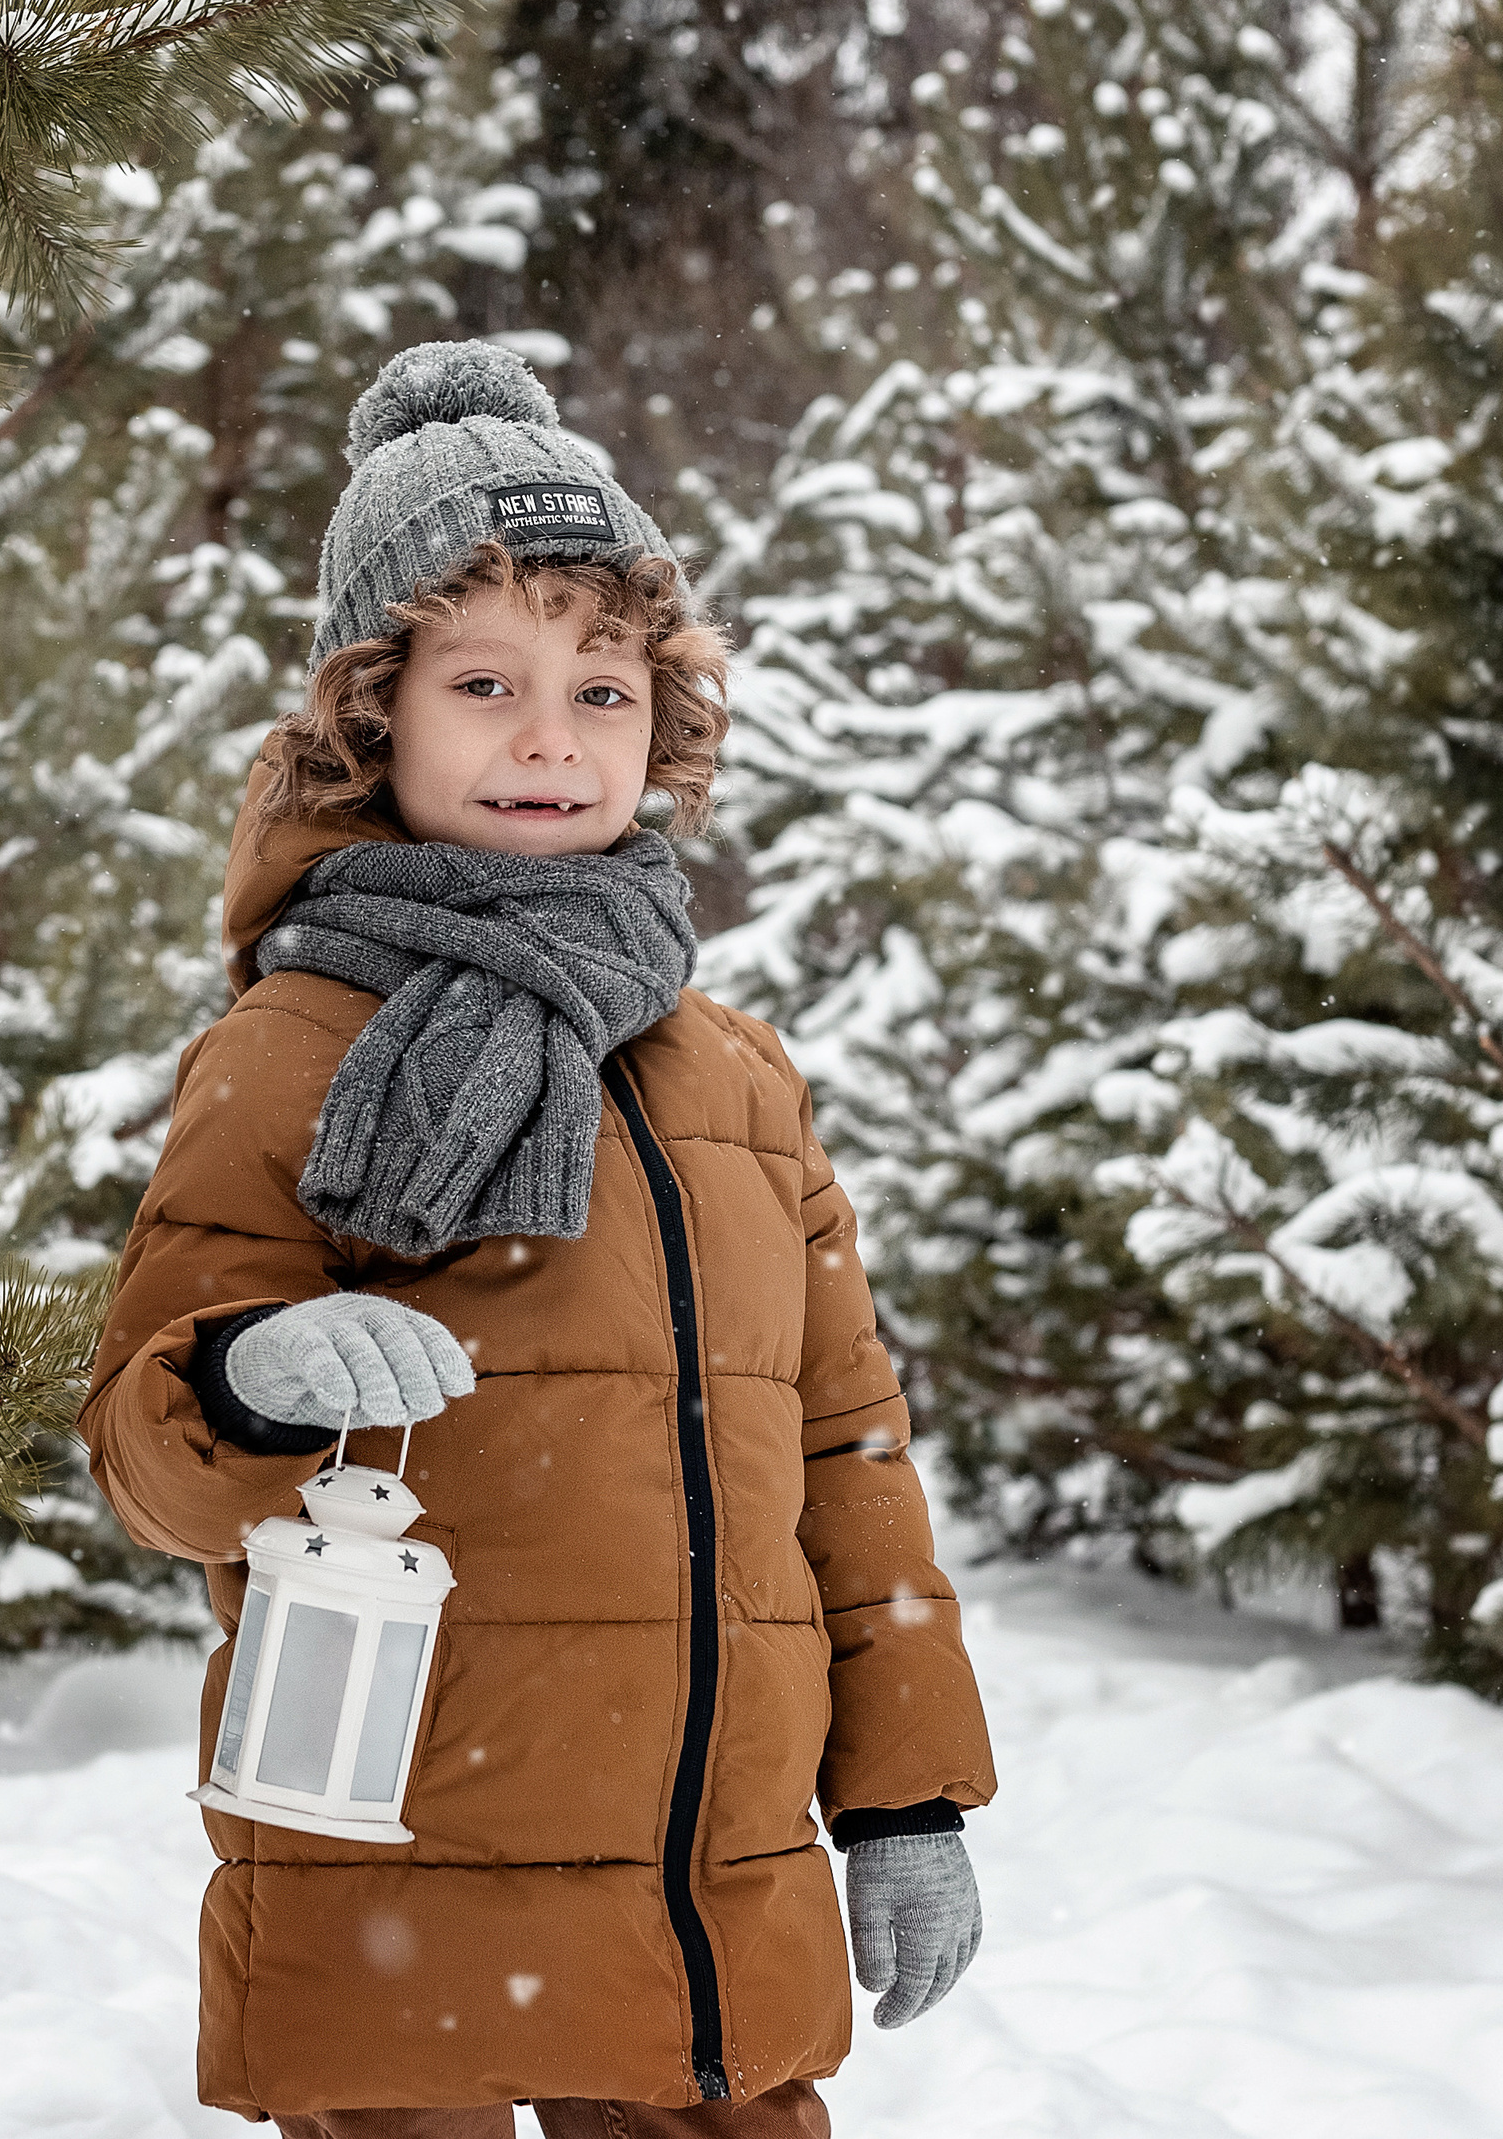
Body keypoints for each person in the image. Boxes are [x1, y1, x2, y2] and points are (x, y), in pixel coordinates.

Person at [83, 341, 996, 2138]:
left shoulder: (733, 1079)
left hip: (705, 1890)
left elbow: (845, 1456)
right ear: (374, 716)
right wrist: (253, 1383)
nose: (549, 739)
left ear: (666, 721)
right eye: (485, 680)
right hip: (391, 1867)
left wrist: (905, 1801)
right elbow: (149, 1454)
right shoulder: (291, 1051)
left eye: (603, 688)